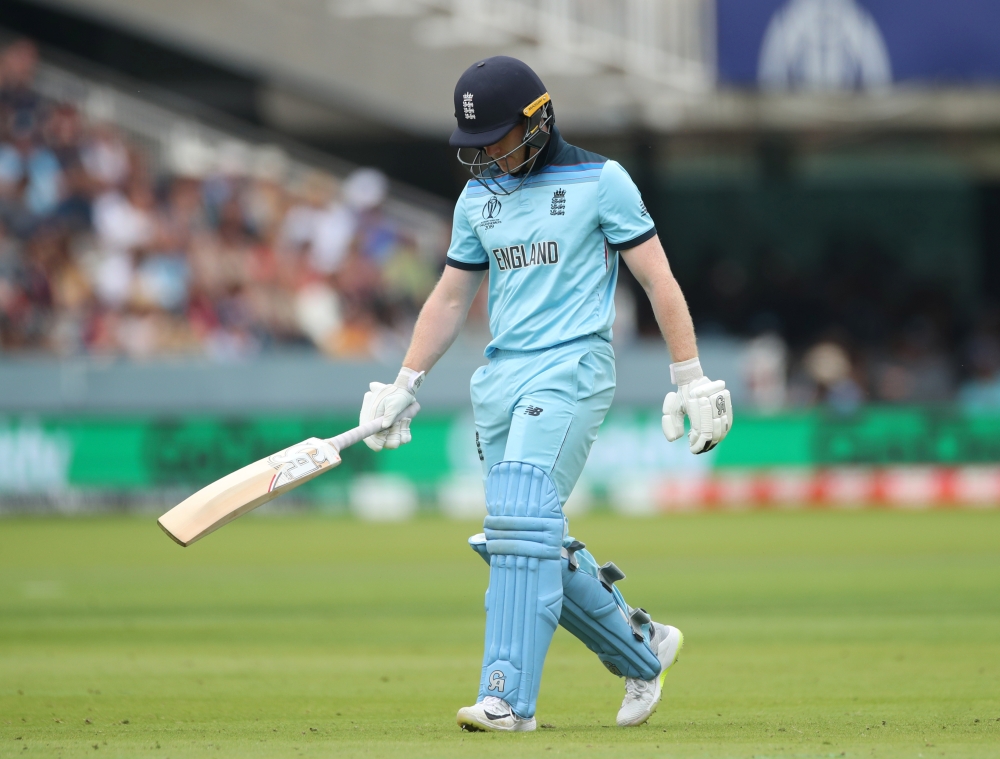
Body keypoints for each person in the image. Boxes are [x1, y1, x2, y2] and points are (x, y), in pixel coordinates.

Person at [358, 56, 733, 732]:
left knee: (521, 522)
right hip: (500, 381)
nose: (488, 155)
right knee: (526, 539)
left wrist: (690, 375)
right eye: (476, 145)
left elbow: (658, 280)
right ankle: (641, 645)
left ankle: (506, 699)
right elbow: (450, 297)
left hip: (573, 367)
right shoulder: (479, 198)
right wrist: (404, 382)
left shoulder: (601, 181)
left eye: (499, 138)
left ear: (540, 119)